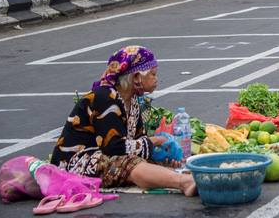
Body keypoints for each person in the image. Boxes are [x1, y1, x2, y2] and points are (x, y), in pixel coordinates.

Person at [50, 46, 198, 196]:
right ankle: (184, 183)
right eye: (153, 74)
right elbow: (114, 148)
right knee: (129, 164)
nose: (156, 79)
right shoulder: (105, 98)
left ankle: (178, 178)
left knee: (147, 162)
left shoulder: (132, 100)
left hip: (105, 157)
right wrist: (157, 140)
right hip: (76, 162)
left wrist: (160, 156)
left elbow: (138, 142)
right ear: (136, 77)